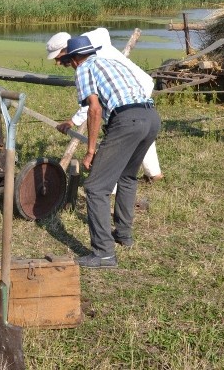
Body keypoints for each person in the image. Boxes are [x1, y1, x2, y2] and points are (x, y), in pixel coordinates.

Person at [59, 36, 160, 268]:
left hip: (127, 121)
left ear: (75, 59)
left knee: (95, 187)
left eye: (67, 61)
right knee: (127, 177)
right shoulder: (111, 62)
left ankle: (103, 253)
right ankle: (123, 234)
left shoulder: (83, 68)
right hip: (151, 118)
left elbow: (94, 109)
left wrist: (91, 150)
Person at [46, 28, 163, 183]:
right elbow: (103, 31)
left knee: (119, 133)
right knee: (138, 131)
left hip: (127, 94)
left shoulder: (85, 63)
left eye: (59, 57)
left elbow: (94, 106)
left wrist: (74, 123)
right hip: (139, 89)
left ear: (67, 50)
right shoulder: (91, 45)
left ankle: (110, 181)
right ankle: (153, 173)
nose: (58, 62)